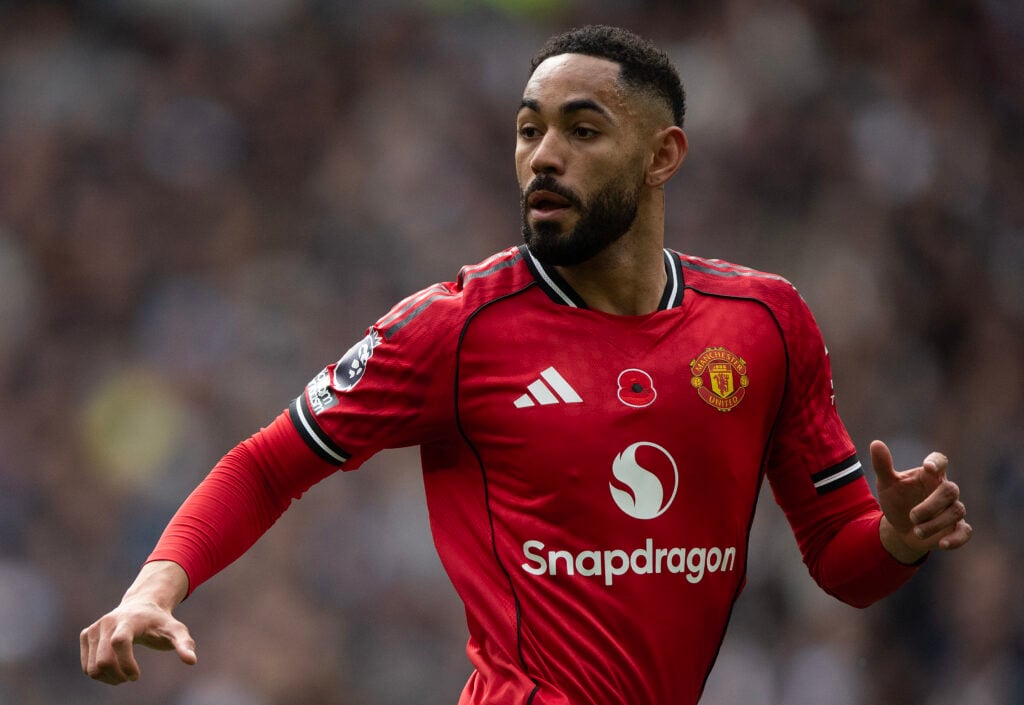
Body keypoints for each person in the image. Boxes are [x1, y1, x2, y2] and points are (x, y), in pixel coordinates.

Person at [80, 25, 972, 705]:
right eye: (527, 130)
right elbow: (269, 463)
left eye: (583, 131)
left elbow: (845, 566)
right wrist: (151, 588)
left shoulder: (765, 324)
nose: (543, 155)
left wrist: (897, 536)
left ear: (663, 157)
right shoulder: (456, 327)